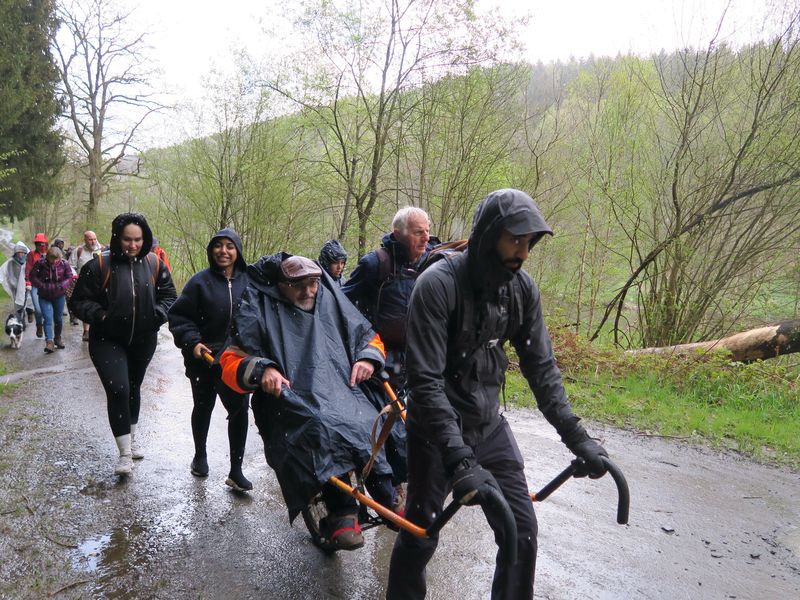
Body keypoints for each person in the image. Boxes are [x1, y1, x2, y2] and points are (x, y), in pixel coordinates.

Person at [386, 189, 611, 600]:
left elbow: (542, 370)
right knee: (421, 531)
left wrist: (577, 437)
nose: (523, 253)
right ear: (490, 235)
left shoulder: (521, 290)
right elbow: (426, 382)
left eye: (529, 244)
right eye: (515, 240)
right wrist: (458, 458)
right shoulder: (437, 286)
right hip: (435, 434)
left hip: (488, 426)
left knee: (520, 531)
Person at [219, 253, 399, 550]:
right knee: (321, 429)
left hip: (341, 389)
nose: (308, 292)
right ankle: (342, 512)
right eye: (299, 286)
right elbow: (231, 359)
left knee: (373, 419)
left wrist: (368, 357)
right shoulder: (259, 307)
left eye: (313, 284)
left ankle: (387, 494)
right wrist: (263, 369)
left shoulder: (329, 300)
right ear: (282, 285)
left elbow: (367, 335)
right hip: (291, 401)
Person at [69, 213, 177, 476]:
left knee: (133, 386)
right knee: (118, 388)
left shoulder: (154, 263)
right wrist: (102, 316)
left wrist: (157, 316)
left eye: (138, 239)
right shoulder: (98, 266)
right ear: (117, 237)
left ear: (145, 238)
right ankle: (124, 454)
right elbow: (78, 302)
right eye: (127, 239)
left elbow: (170, 296)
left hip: (143, 338)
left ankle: (132, 438)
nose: (133, 245)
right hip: (107, 339)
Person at [168, 228, 253, 492]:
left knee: (239, 411)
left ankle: (236, 470)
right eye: (218, 246)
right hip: (203, 358)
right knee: (203, 406)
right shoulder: (198, 282)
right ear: (211, 250)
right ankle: (200, 455)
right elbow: (180, 317)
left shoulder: (250, 281)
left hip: (236, 358)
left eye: (230, 246)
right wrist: (193, 342)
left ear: (237, 251)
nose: (223, 251)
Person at [342, 207, 437, 389]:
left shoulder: (435, 264)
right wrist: (364, 348)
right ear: (398, 234)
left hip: (424, 362)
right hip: (379, 365)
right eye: (418, 232)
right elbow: (341, 305)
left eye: (427, 230)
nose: (426, 238)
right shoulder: (375, 264)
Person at [28, 246, 74, 353]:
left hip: (59, 296)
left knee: (58, 319)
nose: (54, 261)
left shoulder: (64, 264)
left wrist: (62, 285)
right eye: (52, 259)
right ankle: (49, 342)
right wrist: (42, 286)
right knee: (47, 319)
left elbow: (70, 277)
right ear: (47, 257)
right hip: (44, 296)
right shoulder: (40, 263)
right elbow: (32, 277)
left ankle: (57, 338)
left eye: (56, 259)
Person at [74, 230, 103, 341]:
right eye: (90, 239)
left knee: (100, 306)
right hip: (84, 284)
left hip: (100, 283)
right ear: (85, 240)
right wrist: (74, 276)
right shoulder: (79, 251)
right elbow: (71, 266)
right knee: (87, 305)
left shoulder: (102, 250)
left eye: (94, 239)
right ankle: (86, 331)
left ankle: (97, 329)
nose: (93, 241)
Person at [0, 242, 33, 319]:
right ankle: (20, 317)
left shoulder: (28, 260)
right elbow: (8, 273)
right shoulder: (11, 262)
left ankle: (29, 313)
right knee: (19, 301)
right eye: (18, 252)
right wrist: (14, 284)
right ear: (15, 253)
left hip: (27, 283)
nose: (20, 254)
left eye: (22, 252)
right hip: (16, 284)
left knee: (28, 298)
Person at [25, 232, 49, 338]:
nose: (41, 245)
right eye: (39, 243)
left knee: (48, 310)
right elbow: (28, 269)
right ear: (36, 244)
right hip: (35, 286)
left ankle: (49, 333)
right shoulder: (31, 254)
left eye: (43, 243)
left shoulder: (50, 253)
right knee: (38, 310)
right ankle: (39, 325)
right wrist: (28, 282)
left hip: (48, 286)